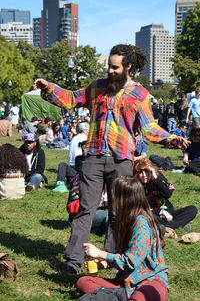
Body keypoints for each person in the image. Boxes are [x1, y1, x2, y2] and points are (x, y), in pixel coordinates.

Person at [34, 44, 189, 275]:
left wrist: (175, 140)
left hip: (121, 161)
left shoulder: (140, 94)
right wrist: (48, 87)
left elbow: (150, 129)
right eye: (108, 66)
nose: (110, 71)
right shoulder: (96, 87)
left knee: (119, 213)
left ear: (128, 66)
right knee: (84, 209)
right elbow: (70, 98)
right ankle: (73, 260)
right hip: (93, 158)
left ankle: (110, 259)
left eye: (115, 67)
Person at [76, 176, 169, 301]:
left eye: (114, 195)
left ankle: (110, 296)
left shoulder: (141, 224)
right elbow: (125, 254)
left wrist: (100, 253)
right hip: (127, 283)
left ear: (124, 199)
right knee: (83, 282)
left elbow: (131, 261)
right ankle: (116, 296)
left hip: (151, 282)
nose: (111, 199)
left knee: (141, 296)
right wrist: (103, 265)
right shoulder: (127, 219)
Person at [133, 158, 197, 232]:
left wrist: (156, 177)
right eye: (141, 172)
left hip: (169, 213)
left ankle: (166, 227)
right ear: (136, 174)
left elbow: (167, 194)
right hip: (152, 214)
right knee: (145, 216)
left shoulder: (158, 178)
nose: (144, 175)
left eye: (147, 171)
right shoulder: (135, 186)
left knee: (192, 209)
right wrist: (161, 212)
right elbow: (141, 209)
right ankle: (177, 226)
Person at [52, 122, 89, 193]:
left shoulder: (74, 138)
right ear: (84, 130)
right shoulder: (85, 139)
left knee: (62, 164)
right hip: (81, 170)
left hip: (73, 169)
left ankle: (60, 183)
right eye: (88, 130)